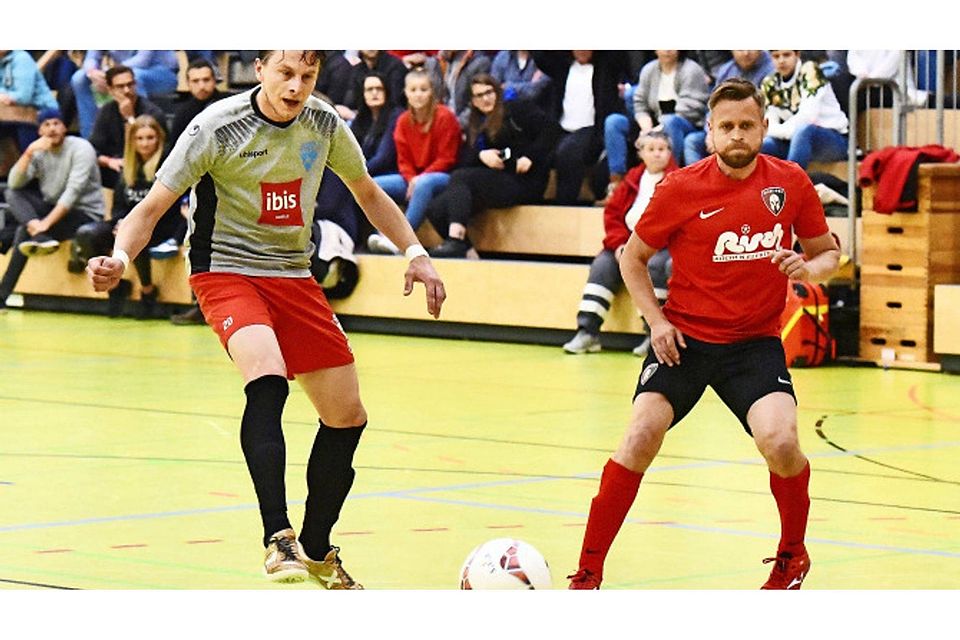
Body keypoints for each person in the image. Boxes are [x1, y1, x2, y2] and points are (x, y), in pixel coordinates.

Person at [86, 50, 445, 587]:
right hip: (225, 272)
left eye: (308, 76)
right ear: (258, 69)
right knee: (269, 380)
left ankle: (319, 547)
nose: (296, 86)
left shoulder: (322, 124)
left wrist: (415, 251)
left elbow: (368, 191)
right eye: (285, 73)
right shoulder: (215, 127)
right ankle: (278, 538)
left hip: (295, 276)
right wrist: (120, 257)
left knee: (347, 416)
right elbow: (154, 205)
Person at [567, 79, 840, 590]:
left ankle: (791, 557)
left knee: (781, 442)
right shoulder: (680, 187)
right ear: (710, 132)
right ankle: (587, 573)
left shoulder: (790, 181)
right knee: (638, 437)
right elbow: (632, 258)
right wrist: (657, 321)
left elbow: (828, 252)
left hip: (754, 345)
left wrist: (809, 268)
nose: (737, 135)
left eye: (746, 125)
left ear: (763, 127)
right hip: (685, 341)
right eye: (726, 127)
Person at [562, 130, 677, 355]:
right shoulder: (632, 179)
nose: (656, 155)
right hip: (628, 243)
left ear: (670, 153)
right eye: (651, 150)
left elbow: (676, 221)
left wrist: (648, 247)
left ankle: (653, 334)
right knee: (602, 265)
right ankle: (588, 331)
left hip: (661, 247)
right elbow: (613, 215)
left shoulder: (677, 179)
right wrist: (619, 246)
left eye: (662, 150)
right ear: (641, 153)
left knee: (654, 266)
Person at [425, 73, 559, 258]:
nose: (486, 99)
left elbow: (551, 130)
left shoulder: (516, 108)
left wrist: (531, 156)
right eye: (479, 96)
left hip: (525, 181)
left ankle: (456, 240)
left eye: (489, 92)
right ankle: (469, 254)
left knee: (461, 178)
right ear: (473, 101)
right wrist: (482, 155)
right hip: (497, 180)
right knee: (436, 208)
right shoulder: (476, 123)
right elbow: (464, 160)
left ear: (497, 91)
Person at [1, 107, 103, 312]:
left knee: (23, 232)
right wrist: (29, 153)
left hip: (84, 213)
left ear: (64, 127)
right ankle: (2, 298)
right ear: (39, 131)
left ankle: (36, 235)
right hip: (51, 210)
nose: (52, 129)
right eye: (46, 125)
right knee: (12, 194)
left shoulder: (82, 148)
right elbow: (14, 183)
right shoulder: (38, 151)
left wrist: (43, 225)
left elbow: (73, 192)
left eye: (56, 123)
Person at [85, 115, 185, 318]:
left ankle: (148, 292)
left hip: (162, 224)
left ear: (159, 139)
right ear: (132, 141)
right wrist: (120, 222)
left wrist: (130, 226)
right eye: (140, 138)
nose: (145, 143)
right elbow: (120, 206)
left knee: (138, 237)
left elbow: (171, 207)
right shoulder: (128, 169)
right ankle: (116, 287)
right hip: (131, 221)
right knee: (92, 234)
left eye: (150, 138)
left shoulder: (167, 165)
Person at [367, 68, 461, 255]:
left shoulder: (445, 117)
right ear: (406, 93)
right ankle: (384, 236)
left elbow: (447, 158)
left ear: (432, 92)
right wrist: (411, 179)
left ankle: (402, 242)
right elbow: (403, 160)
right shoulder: (402, 121)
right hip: (413, 178)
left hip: (442, 177)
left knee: (424, 183)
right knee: (375, 185)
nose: (418, 94)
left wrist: (418, 179)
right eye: (413, 90)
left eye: (423, 89)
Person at [533, 50, 630, 205]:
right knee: (537, 152)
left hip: (590, 129)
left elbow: (619, 55)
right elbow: (540, 55)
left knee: (568, 153)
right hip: (561, 128)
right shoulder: (562, 67)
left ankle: (564, 206)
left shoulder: (605, 67)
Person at [604, 50, 709, 194]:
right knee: (614, 122)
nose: (667, 49)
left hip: (686, 123)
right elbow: (639, 103)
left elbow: (692, 107)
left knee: (670, 121)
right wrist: (647, 128)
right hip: (654, 122)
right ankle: (617, 184)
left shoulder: (691, 70)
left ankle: (670, 181)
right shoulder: (649, 69)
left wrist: (658, 130)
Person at [760, 50, 849, 170]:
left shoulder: (811, 71)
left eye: (786, 55)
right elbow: (768, 125)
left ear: (797, 55)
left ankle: (791, 186)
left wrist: (781, 132)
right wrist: (782, 133)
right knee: (765, 145)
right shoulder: (770, 82)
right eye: (776, 56)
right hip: (793, 140)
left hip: (833, 139)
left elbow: (807, 117)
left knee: (804, 131)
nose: (781, 60)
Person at [683, 50, 774, 165]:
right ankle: (697, 182)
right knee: (692, 141)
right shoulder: (726, 70)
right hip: (725, 126)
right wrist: (711, 134)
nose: (746, 53)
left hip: (754, 130)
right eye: (740, 49)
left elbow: (769, 110)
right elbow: (713, 106)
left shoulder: (773, 67)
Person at [89, 65, 167, 189]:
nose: (126, 90)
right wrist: (109, 161)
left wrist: (129, 118)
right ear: (110, 89)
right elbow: (93, 148)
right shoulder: (106, 111)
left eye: (130, 84)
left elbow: (153, 149)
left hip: (147, 168)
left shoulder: (152, 112)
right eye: (120, 86)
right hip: (115, 166)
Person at [71, 50, 178, 138]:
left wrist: (111, 73)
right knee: (79, 79)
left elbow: (143, 60)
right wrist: (92, 72)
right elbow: (91, 58)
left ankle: (140, 132)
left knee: (131, 77)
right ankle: (89, 137)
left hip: (162, 73)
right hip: (122, 70)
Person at [0, 50, 59, 152]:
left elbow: (23, 97)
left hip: (42, 110)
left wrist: (6, 96)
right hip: (15, 113)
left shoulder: (21, 58)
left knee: (23, 125)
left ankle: (32, 163)